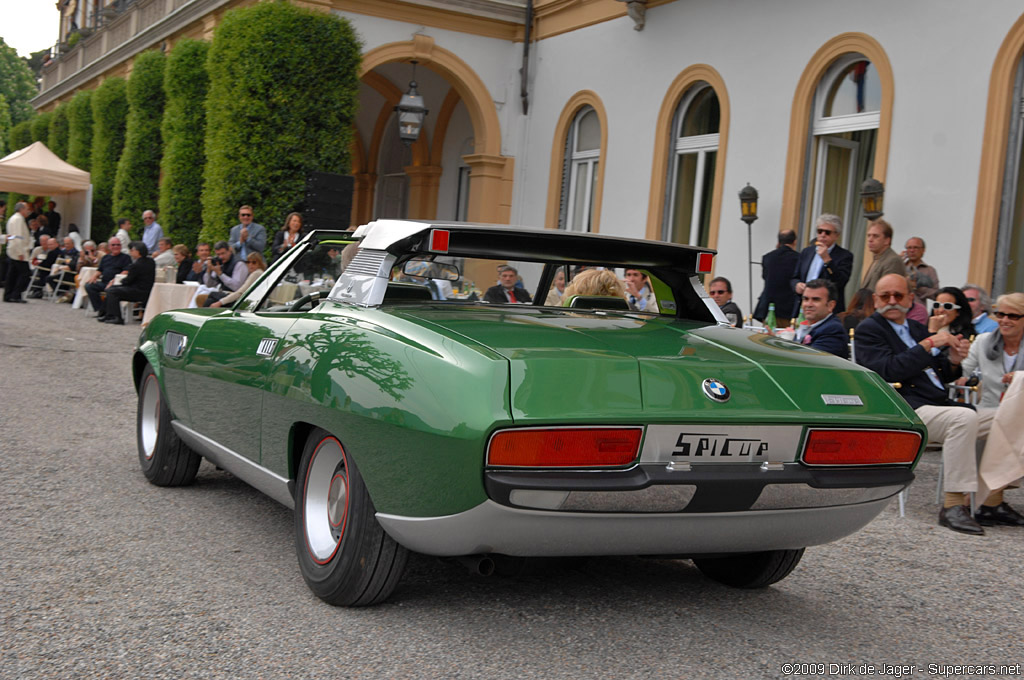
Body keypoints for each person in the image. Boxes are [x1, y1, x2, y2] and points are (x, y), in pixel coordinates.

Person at [853, 273, 1022, 535]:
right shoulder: (870, 329)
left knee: (1011, 416)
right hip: (904, 409)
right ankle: (953, 505)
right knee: (962, 419)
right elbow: (887, 370)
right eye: (885, 296)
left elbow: (942, 375)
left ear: (911, 299)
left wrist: (954, 359)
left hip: (939, 404)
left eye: (898, 295)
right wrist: (929, 343)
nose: (892, 301)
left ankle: (992, 499)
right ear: (875, 300)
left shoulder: (916, 328)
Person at [960, 292, 1024, 408]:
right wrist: (959, 375)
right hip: (989, 410)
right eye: (1000, 314)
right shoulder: (983, 341)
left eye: (1013, 316)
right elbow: (963, 369)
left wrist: (1020, 377)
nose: (1004, 320)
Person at [791, 213, 854, 317]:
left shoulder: (844, 256)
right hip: (803, 306)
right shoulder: (807, 252)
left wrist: (827, 260)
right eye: (820, 231)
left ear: (836, 235)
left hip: (826, 309)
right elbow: (794, 277)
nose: (822, 235)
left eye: (827, 232)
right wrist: (796, 285)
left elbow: (840, 281)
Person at [100, 241, 155, 324]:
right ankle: (109, 314)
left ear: (138, 251)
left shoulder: (136, 265)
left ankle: (116, 316)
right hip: (146, 289)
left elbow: (128, 280)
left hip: (138, 291)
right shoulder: (151, 262)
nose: (130, 252)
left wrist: (120, 282)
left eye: (132, 250)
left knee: (111, 291)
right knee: (112, 290)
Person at [754, 229, 799, 327]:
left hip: (767, 306)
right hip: (787, 308)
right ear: (794, 241)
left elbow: (765, 276)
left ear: (779, 241)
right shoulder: (798, 258)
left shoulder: (767, 257)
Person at [795, 279, 848, 358]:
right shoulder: (809, 325)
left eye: (816, 300)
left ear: (831, 305)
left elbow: (809, 360)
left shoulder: (833, 330)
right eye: (806, 299)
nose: (809, 304)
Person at [85, 237, 132, 313]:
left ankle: (104, 310)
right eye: (113, 245)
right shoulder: (105, 257)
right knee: (89, 285)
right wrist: (94, 277)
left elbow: (126, 271)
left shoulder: (126, 257)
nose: (116, 247)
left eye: (118, 245)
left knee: (111, 290)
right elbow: (100, 270)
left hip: (117, 283)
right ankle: (100, 309)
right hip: (104, 282)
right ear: (109, 247)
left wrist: (113, 280)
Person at [860, 219, 905, 292]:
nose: (870, 239)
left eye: (875, 236)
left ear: (887, 240)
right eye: (869, 235)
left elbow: (888, 293)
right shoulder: (877, 258)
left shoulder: (892, 261)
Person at [4, 202, 32, 303]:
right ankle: (15, 295)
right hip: (19, 251)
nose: (28, 211)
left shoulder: (15, 218)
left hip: (14, 249)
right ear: (22, 209)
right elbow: (17, 236)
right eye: (27, 208)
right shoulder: (18, 219)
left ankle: (9, 295)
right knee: (25, 274)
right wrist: (20, 252)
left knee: (13, 273)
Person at [902, 237, 939, 304]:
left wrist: (918, 287)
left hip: (919, 311)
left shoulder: (929, 270)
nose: (912, 250)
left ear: (923, 250)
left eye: (915, 247)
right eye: (909, 248)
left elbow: (936, 295)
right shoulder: (900, 267)